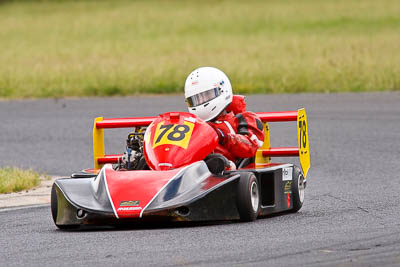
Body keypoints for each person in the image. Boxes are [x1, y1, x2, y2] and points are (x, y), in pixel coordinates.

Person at [184, 67, 265, 169]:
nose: (201, 102)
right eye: (196, 99)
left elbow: (250, 146)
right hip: (194, 165)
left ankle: (217, 164)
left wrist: (223, 136)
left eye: (206, 96)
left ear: (222, 90)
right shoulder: (193, 124)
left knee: (216, 162)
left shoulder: (244, 118)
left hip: (229, 170)